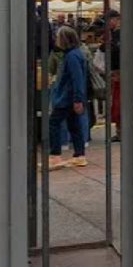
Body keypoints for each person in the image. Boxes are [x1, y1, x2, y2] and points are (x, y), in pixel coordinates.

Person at [49, 26, 88, 170]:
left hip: (66, 97)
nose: (56, 39)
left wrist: (77, 99)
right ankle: (79, 155)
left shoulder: (71, 56)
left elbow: (77, 79)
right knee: (74, 125)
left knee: (54, 123)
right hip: (70, 96)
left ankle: (55, 155)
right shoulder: (76, 54)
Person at [103, 9, 123, 142]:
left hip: (119, 71)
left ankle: (121, 131)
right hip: (116, 71)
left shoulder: (119, 34)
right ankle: (119, 130)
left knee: (118, 102)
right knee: (116, 102)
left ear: (115, 19)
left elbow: (117, 52)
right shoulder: (114, 34)